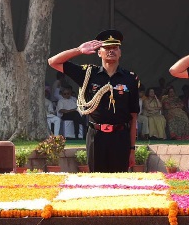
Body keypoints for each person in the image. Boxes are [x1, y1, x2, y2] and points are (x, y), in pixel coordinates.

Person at [48, 29, 140, 172]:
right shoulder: (88, 73)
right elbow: (53, 62)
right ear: (99, 52)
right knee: (97, 180)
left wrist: (132, 149)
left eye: (115, 48)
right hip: (97, 136)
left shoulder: (130, 78)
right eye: (107, 48)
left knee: (119, 182)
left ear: (120, 52)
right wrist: (79, 50)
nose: (111, 51)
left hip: (120, 136)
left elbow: (133, 116)